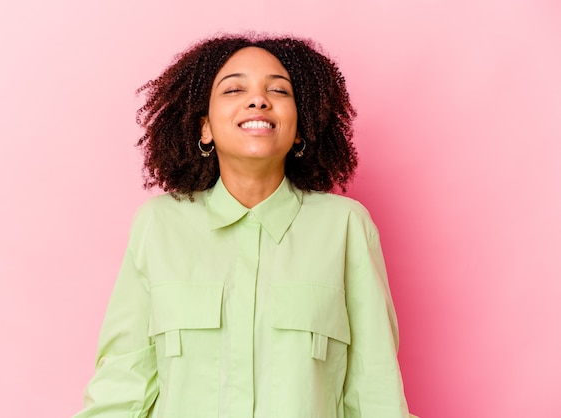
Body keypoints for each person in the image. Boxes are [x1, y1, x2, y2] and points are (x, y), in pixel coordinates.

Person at [74, 34, 414, 418]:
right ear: (205, 128)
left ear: (300, 129)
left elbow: (376, 394)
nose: (258, 100)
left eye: (278, 90)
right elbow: (122, 387)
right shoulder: (158, 225)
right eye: (234, 88)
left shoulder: (346, 227)